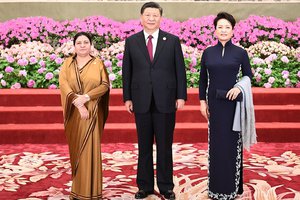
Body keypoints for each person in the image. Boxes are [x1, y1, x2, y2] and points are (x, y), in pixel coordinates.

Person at [122, 2, 187, 199]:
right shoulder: (132, 41)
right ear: (141, 18)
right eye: (147, 15)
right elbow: (127, 71)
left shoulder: (172, 41)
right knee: (144, 146)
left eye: (155, 15)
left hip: (165, 99)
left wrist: (181, 95)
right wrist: (127, 97)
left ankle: (166, 186)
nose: (151, 18)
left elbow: (180, 70)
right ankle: (144, 186)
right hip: (140, 99)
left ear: (161, 18)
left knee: (165, 146)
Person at [199, 12, 256, 200]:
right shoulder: (208, 52)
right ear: (215, 30)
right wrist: (202, 102)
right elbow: (202, 81)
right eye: (220, 27)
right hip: (214, 105)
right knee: (216, 145)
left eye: (227, 27)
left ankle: (232, 188)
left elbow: (248, 76)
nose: (223, 30)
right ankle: (215, 188)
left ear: (233, 31)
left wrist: (240, 88)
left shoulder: (240, 53)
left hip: (233, 106)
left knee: (231, 144)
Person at [59, 32, 110, 200]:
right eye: (79, 42)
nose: (82, 45)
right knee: (77, 150)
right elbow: (64, 85)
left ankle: (92, 192)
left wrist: (86, 98)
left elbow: (104, 85)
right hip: (75, 113)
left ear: (91, 45)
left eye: (86, 42)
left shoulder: (98, 64)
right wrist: (78, 103)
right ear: (74, 46)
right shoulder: (67, 64)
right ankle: (78, 190)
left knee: (90, 150)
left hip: (93, 112)